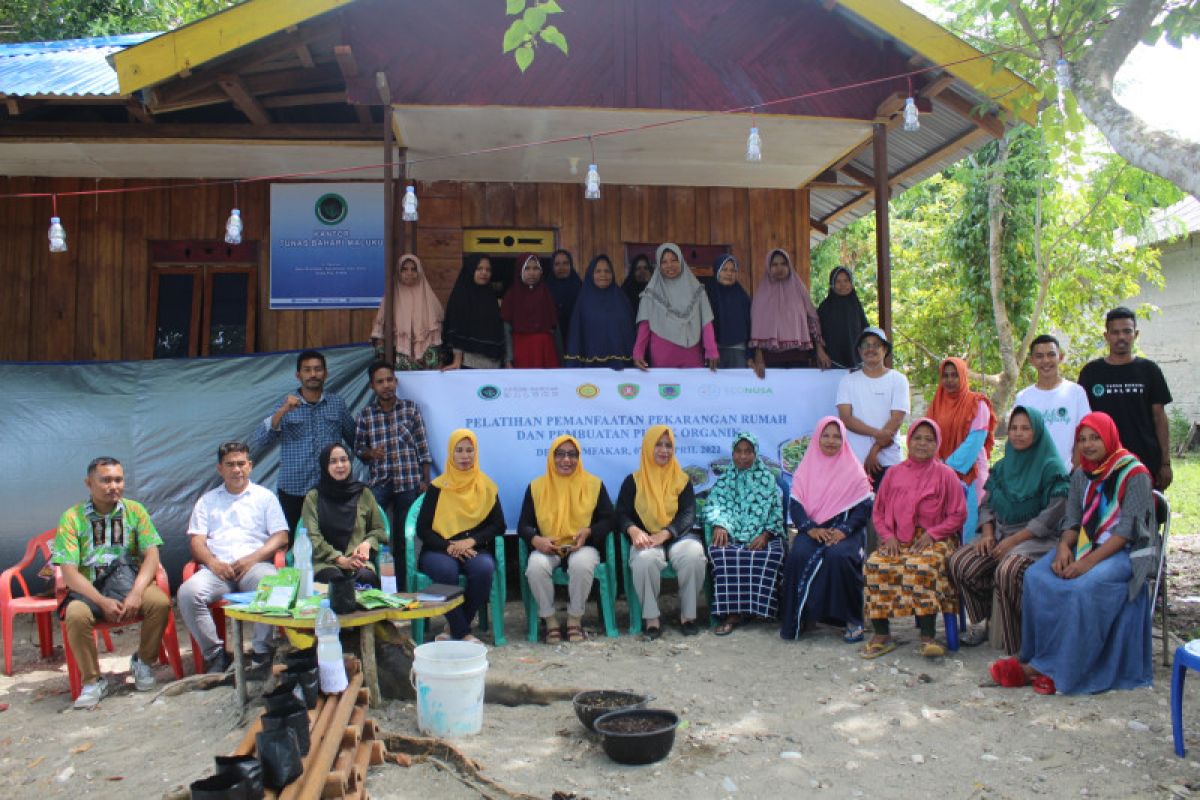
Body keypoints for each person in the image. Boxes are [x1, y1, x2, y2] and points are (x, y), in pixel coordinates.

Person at [992, 412, 1155, 695]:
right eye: (1082, 439)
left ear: (1110, 437)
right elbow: (1072, 521)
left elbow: (1126, 532)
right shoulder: (1081, 474)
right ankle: (1035, 656)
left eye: (1095, 438)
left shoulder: (1135, 474)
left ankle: (1062, 668)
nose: (1089, 445)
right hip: (1083, 545)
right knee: (1036, 576)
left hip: (1122, 552)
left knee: (1083, 587)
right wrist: (1063, 549)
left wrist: (1087, 563)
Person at [946, 407, 1069, 653]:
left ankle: (1017, 642)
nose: (1018, 434)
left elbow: (1051, 516)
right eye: (1013, 428)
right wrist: (989, 534)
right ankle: (988, 619)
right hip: (1000, 534)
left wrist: (1012, 543)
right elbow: (987, 503)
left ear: (1037, 432)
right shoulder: (1003, 466)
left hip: (1036, 539)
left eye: (1025, 428)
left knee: (1008, 569)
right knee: (960, 562)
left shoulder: (1052, 467)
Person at [53, 457, 171, 709]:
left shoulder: (135, 510)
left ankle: (143, 662)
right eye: (105, 480)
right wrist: (100, 600)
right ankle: (93, 680)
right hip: (88, 589)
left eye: (118, 480)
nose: (113, 486)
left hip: (128, 581)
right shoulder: (72, 518)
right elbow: (69, 572)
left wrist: (138, 592)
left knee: (159, 602)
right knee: (75, 615)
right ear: (89, 483)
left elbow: (152, 554)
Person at [180, 441, 289, 673]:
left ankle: (262, 651)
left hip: (254, 566)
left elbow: (281, 536)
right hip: (218, 570)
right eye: (230, 464)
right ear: (220, 468)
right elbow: (196, 541)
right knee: (188, 593)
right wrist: (212, 563)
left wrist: (253, 558)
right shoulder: (207, 501)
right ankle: (216, 655)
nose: (236, 469)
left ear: (250, 466)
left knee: (271, 584)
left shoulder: (265, 497)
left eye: (241, 464)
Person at [862, 419, 967, 659]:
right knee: (876, 564)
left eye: (929, 439)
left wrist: (933, 534)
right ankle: (882, 634)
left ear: (937, 443)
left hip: (936, 538)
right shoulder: (894, 474)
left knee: (922, 567)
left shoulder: (946, 475)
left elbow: (958, 514)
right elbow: (878, 511)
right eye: (917, 438)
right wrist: (887, 536)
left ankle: (928, 637)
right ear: (908, 440)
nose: (922, 443)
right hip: (897, 538)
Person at [780, 417, 874, 643]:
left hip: (846, 530)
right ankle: (801, 617)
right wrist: (809, 529)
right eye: (826, 435)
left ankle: (851, 619)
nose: (831, 441)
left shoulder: (853, 468)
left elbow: (863, 507)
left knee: (840, 556)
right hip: (814, 528)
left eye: (837, 436)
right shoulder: (806, 467)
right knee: (799, 555)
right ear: (817, 438)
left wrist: (844, 530)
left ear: (844, 440)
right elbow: (796, 504)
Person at [518, 434, 614, 643]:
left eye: (572, 454)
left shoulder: (593, 484)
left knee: (582, 565)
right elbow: (523, 525)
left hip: (582, 546)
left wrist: (588, 531)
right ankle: (550, 620)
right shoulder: (536, 487)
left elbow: (608, 520)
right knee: (535, 566)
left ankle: (574, 619)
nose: (566, 460)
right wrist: (537, 541)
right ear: (551, 458)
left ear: (579, 458)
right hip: (548, 547)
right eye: (560, 454)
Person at [252, 349, 355, 538]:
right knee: (294, 543)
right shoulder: (285, 403)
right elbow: (261, 439)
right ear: (298, 375)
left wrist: (369, 456)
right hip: (294, 489)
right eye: (307, 370)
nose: (313, 374)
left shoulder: (337, 403)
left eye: (317, 369)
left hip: (330, 488)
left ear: (326, 373)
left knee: (334, 538)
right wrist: (283, 410)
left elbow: (354, 439)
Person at [616, 425, 706, 638]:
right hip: (646, 538)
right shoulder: (633, 481)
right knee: (644, 560)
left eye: (668, 445)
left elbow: (688, 514)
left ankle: (688, 616)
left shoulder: (682, 480)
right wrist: (633, 529)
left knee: (693, 555)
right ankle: (652, 618)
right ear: (648, 447)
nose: (664, 450)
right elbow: (620, 513)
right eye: (658, 444)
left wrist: (666, 533)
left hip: (678, 536)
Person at [416, 429, 505, 642]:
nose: (465, 456)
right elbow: (423, 529)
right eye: (459, 450)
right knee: (446, 571)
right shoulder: (438, 487)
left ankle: (454, 627)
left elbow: (498, 525)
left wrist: (471, 541)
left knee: (483, 569)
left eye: (469, 450)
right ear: (450, 454)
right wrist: (448, 546)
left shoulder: (486, 486)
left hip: (474, 547)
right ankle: (462, 631)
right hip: (439, 549)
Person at [1077, 307, 1173, 490]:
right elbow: (1082, 421)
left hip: (1145, 462)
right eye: (1115, 332)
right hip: (1102, 464)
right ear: (1106, 336)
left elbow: (1159, 418)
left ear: (1135, 334)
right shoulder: (1091, 373)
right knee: (1103, 517)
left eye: (1127, 331)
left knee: (1143, 516)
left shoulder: (1149, 370)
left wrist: (1165, 463)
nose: (1121, 337)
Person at [355, 360, 432, 575]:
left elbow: (423, 446)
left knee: (405, 535)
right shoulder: (366, 415)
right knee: (377, 532)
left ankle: (405, 582)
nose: (386, 385)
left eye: (389, 380)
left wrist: (425, 480)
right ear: (372, 386)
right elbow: (358, 448)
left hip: (409, 481)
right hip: (379, 483)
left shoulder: (410, 409)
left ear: (396, 381)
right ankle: (377, 578)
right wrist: (370, 452)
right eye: (380, 382)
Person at [705, 432, 786, 635]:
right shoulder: (725, 479)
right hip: (732, 534)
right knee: (721, 553)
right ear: (732, 454)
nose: (742, 456)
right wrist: (720, 525)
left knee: (772, 554)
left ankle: (762, 609)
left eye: (748, 452)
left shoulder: (767, 479)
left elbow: (776, 511)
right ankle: (732, 613)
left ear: (755, 454)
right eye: (738, 451)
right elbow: (714, 505)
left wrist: (766, 535)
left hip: (763, 533)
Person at [927, 357, 997, 543]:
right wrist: (937, 465)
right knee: (945, 530)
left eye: (954, 375)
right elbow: (928, 436)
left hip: (971, 474)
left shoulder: (977, 403)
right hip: (941, 473)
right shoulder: (937, 403)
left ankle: (969, 569)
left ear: (964, 376)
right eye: (945, 376)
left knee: (971, 528)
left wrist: (947, 466)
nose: (949, 380)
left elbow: (975, 440)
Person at [302, 444, 387, 588]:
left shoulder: (363, 493)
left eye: (344, 460)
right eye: (333, 461)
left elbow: (379, 529)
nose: (340, 465)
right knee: (336, 583)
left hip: (359, 562)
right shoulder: (314, 497)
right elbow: (313, 537)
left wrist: (368, 543)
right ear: (324, 466)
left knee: (366, 578)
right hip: (326, 563)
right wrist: (341, 560)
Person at [835, 327, 909, 489]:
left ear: (885, 350)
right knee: (858, 513)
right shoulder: (847, 381)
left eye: (876, 345)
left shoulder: (898, 380)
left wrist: (874, 450)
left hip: (889, 460)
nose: (870, 349)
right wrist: (877, 434)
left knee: (889, 512)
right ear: (859, 351)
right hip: (855, 461)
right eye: (866, 345)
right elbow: (846, 418)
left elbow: (896, 419)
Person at [632, 243, 719, 370]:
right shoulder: (650, 293)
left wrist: (711, 350)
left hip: (691, 354)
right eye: (664, 262)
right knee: (666, 390)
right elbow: (644, 325)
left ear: (681, 261)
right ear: (658, 265)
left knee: (693, 389)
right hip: (663, 355)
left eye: (674, 260)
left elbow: (706, 322)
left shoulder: (697, 290)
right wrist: (638, 353)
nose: (669, 265)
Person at [1014, 334, 1092, 468]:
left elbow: (1085, 434)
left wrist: (1072, 469)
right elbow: (1017, 438)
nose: (1045, 361)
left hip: (1067, 478)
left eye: (1051, 354)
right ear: (1031, 360)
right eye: (1039, 356)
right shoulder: (1024, 397)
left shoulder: (1076, 392)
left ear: (1060, 357)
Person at [750, 248, 830, 376]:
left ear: (789, 266)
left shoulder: (800, 290)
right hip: (770, 359)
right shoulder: (761, 295)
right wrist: (758, 357)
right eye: (775, 265)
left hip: (799, 356)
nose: (779, 268)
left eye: (783, 264)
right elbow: (756, 328)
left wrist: (820, 349)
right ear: (768, 267)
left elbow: (812, 319)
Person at [370, 253, 444, 371]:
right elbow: (380, 326)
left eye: (413, 269)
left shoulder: (429, 297)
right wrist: (382, 353)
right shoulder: (391, 297)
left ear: (419, 271)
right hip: (399, 352)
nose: (409, 273)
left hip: (426, 354)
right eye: (404, 269)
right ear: (399, 272)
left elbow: (436, 328)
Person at [563, 254, 635, 369]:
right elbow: (576, 335)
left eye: (607, 271)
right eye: (598, 271)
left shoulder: (622, 299)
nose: (603, 275)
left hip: (621, 367)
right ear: (591, 274)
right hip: (591, 368)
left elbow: (630, 333)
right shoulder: (583, 301)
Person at [442, 256, 505, 370]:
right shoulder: (461, 297)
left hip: (493, 365)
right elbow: (457, 329)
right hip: (468, 363)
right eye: (479, 269)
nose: (484, 273)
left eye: (488, 270)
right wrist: (457, 361)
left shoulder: (491, 297)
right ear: (471, 270)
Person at [501, 253, 561, 368]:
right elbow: (506, 330)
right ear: (520, 271)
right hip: (521, 349)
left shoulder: (546, 294)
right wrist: (508, 358)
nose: (532, 273)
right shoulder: (512, 295)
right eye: (527, 268)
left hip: (545, 350)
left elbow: (555, 328)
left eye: (535, 268)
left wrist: (561, 357)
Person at [817, 267, 869, 370]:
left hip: (857, 361)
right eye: (838, 281)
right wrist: (820, 352)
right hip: (831, 362)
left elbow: (865, 329)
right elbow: (816, 333)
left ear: (851, 283)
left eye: (846, 280)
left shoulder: (856, 305)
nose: (843, 285)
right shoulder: (825, 307)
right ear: (832, 284)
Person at [705, 254, 752, 368]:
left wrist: (751, 355)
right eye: (724, 269)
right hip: (714, 351)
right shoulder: (708, 294)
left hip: (738, 350)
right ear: (717, 271)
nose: (729, 273)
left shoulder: (742, 296)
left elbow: (750, 325)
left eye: (733, 270)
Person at [546, 249, 582, 342]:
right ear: (552, 267)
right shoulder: (545, 290)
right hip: (553, 339)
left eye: (565, 263)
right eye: (557, 264)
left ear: (571, 265)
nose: (561, 267)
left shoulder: (581, 288)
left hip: (577, 338)